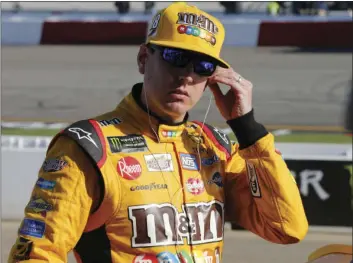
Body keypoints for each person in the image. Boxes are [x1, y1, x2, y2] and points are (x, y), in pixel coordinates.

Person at [8, 2, 308, 263]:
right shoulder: (88, 147)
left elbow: (286, 228)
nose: (186, 75)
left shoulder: (214, 147)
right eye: (175, 57)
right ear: (143, 58)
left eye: (202, 66)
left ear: (212, 78)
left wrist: (248, 130)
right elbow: (37, 254)